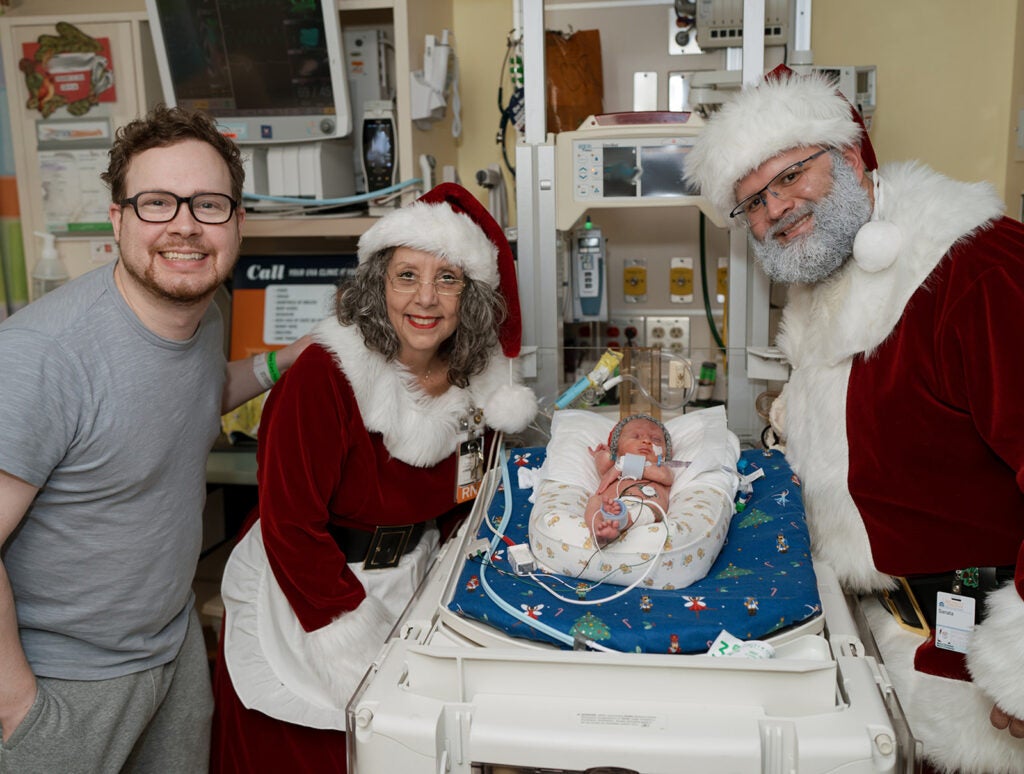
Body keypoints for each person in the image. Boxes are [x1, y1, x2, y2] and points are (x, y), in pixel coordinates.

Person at [686, 65, 1024, 773]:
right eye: (749, 201)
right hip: (894, 652)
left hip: (987, 679)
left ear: (850, 157)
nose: (774, 208)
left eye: (790, 175)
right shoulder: (826, 285)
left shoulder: (977, 269)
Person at [0, 104, 308, 773]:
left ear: (237, 222)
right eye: (157, 203)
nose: (185, 226)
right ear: (118, 220)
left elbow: (189, 394)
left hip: (169, 654)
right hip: (63, 686)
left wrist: (282, 362)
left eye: (208, 205)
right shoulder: (41, 357)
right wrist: (18, 709)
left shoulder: (203, 313)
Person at [210, 182, 537, 772]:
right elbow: (290, 524)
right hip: (310, 595)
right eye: (407, 275)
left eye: (448, 278)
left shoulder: (477, 385)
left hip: (409, 584)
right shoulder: (323, 377)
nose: (427, 298)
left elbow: (466, 505)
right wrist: (348, 636)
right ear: (377, 284)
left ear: (472, 296)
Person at [584, 413, 675, 545]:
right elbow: (604, 460)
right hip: (610, 505)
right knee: (595, 501)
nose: (647, 441)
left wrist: (625, 465)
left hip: (645, 504)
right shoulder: (614, 466)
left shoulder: (661, 468)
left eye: (656, 440)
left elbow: (664, 476)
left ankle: (625, 521)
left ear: (666, 454)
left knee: (652, 506)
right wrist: (602, 454)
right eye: (636, 436)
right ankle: (599, 530)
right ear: (617, 449)